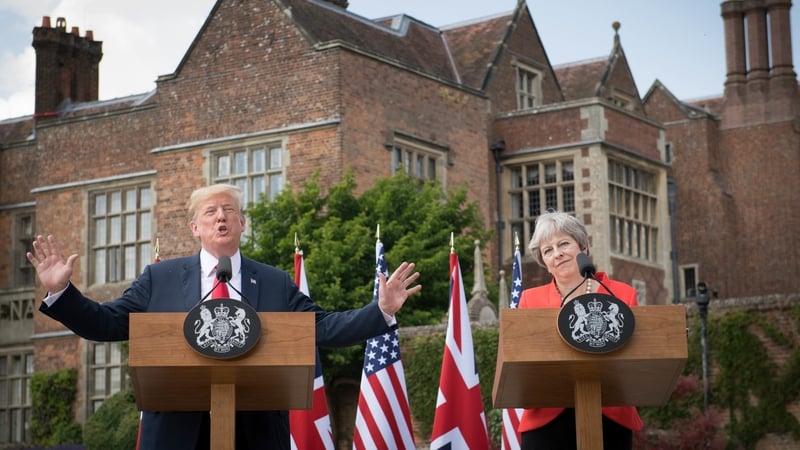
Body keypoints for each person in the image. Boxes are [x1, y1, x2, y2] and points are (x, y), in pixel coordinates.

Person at [27, 183, 422, 450]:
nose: (221, 218)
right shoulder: (159, 278)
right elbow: (107, 323)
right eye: (211, 212)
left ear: (242, 224)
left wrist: (380, 311)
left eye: (230, 211)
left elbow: (322, 326)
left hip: (256, 433)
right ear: (194, 227)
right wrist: (62, 293)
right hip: (175, 434)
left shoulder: (273, 280)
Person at [517, 211, 642, 450]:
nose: (558, 253)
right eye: (548, 250)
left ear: (583, 247)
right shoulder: (530, 300)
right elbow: (523, 361)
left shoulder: (621, 295)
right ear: (545, 263)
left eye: (564, 243)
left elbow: (634, 356)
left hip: (610, 415)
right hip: (546, 418)